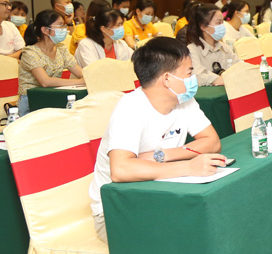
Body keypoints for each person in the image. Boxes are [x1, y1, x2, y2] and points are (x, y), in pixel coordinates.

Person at [88, 37, 225, 242]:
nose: (193, 78)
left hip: (162, 194)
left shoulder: (183, 99)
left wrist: (161, 155)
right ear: (167, 79)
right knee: (193, 235)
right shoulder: (130, 108)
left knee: (216, 219)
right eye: (189, 73)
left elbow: (212, 142)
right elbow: (121, 169)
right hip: (119, 209)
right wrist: (188, 167)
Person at [17, 10, 84, 112]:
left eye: (64, 25)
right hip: (31, 101)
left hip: (52, 97)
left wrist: (87, 78)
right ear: (45, 30)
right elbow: (45, 82)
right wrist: (79, 82)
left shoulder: (61, 48)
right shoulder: (30, 52)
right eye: (60, 26)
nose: (64, 29)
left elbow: (81, 73)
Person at [187, 4, 234, 86]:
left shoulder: (224, 47)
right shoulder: (192, 50)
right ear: (203, 26)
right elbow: (197, 76)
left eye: (222, 22)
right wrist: (220, 79)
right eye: (218, 23)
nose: (222, 26)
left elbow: (239, 65)